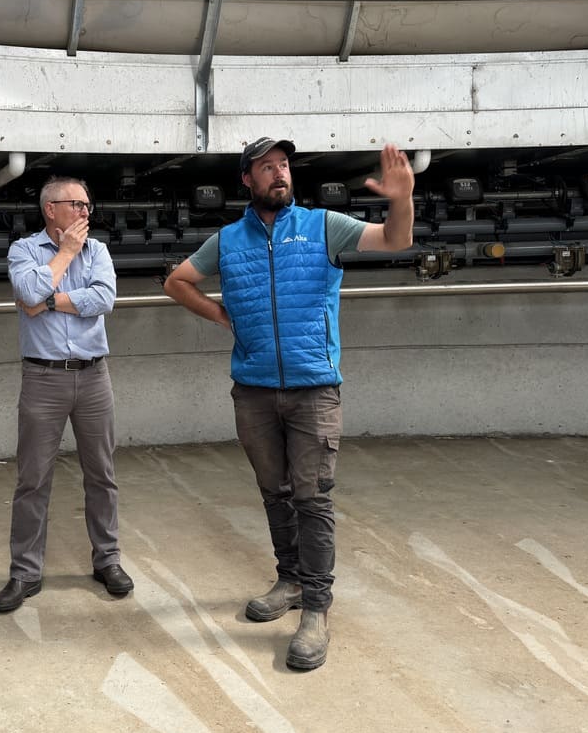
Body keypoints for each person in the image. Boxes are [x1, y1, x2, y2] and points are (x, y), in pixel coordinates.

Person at [164, 137, 414, 671]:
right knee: (273, 492)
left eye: (283, 165)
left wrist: (402, 198)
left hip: (314, 388)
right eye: (266, 168)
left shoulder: (325, 225)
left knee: (312, 497)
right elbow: (177, 281)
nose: (279, 173)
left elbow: (396, 238)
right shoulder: (228, 241)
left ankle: (317, 610)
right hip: (253, 389)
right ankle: (291, 580)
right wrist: (219, 315)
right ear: (247, 182)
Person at [0, 175, 134, 613]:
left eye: (88, 205)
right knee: (32, 478)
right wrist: (66, 255)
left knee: (102, 474)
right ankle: (25, 571)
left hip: (94, 376)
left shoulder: (101, 251)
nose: (85, 213)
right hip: (43, 378)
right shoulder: (23, 250)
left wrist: (50, 302)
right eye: (77, 204)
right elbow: (28, 290)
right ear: (50, 209)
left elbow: (104, 298)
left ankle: (107, 559)